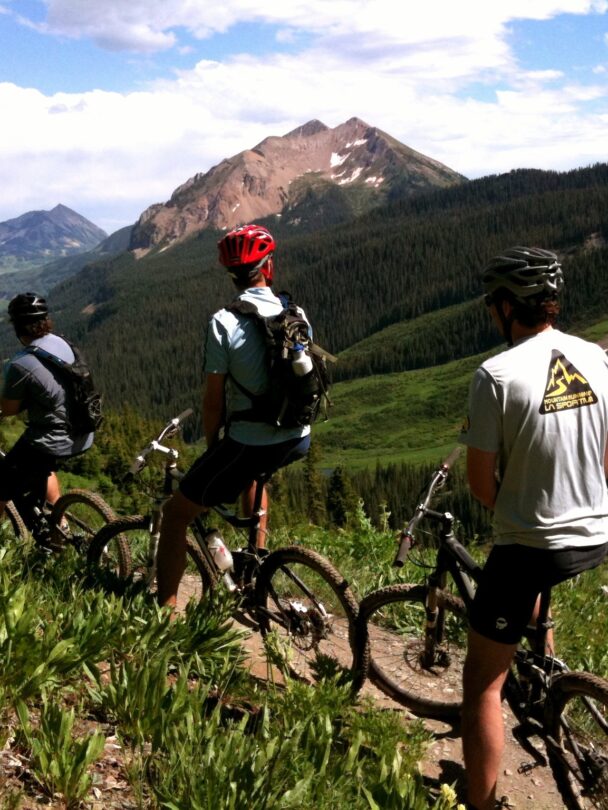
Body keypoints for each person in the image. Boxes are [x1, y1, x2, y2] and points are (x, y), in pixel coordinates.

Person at [459, 246, 608, 810]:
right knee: (536, 581)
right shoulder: (594, 357)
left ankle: (481, 804)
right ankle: (548, 677)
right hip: (597, 531)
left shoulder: (495, 375)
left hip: (532, 544)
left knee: (482, 683)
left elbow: (480, 483)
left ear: (506, 306)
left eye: (490, 303)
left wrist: (521, 509)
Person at [156, 224, 311, 609]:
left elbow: (213, 402)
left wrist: (214, 450)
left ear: (231, 275)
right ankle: (255, 563)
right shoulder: (296, 313)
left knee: (175, 515)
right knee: (254, 474)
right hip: (298, 435)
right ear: (268, 267)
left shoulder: (223, 322)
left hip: (249, 442)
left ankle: (165, 615)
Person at [0, 293, 94, 532]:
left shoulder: (20, 363)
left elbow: (9, 409)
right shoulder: (62, 343)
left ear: (17, 326)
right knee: (43, 466)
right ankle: (59, 524)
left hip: (51, 440)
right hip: (84, 431)